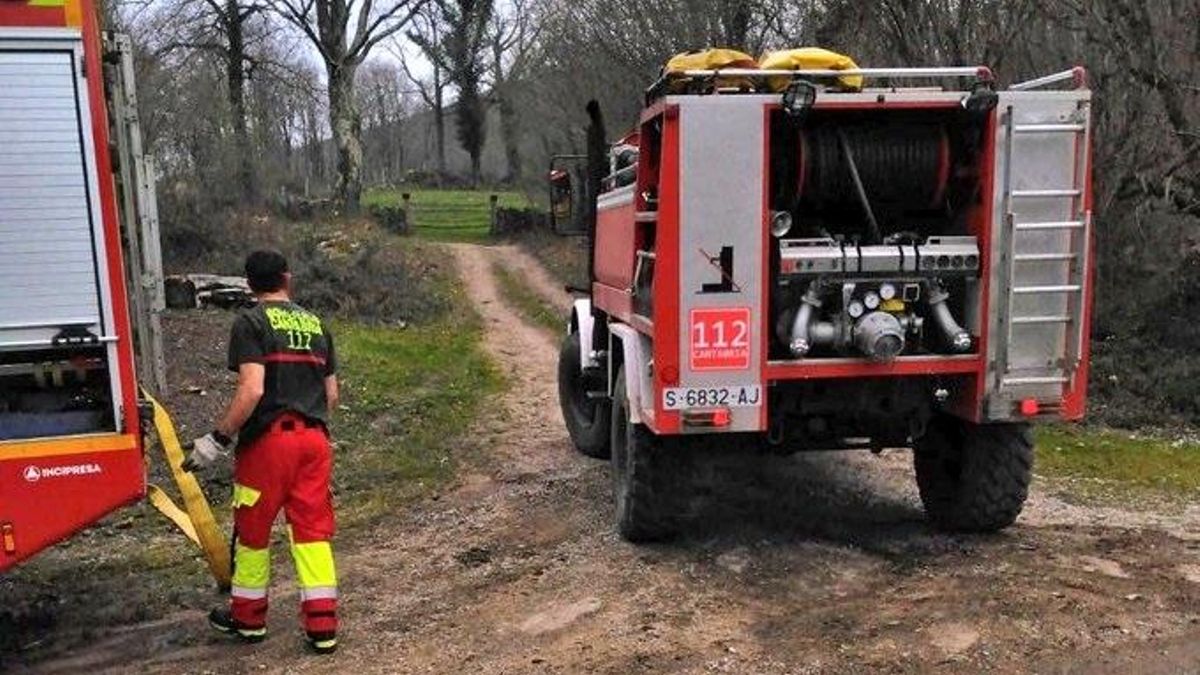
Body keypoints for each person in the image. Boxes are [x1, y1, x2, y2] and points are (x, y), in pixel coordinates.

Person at [184, 250, 340, 655]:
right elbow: (331, 395)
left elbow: (252, 389)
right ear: (287, 279)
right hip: (314, 441)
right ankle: (323, 626)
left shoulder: (251, 322)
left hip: (269, 444)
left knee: (253, 532)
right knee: (312, 532)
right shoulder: (316, 324)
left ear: (250, 285)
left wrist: (217, 439)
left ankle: (249, 619)